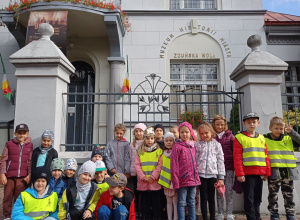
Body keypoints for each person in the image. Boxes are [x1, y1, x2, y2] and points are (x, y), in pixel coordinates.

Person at [233, 112, 271, 220]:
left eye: (254, 122)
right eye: (249, 122)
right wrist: (240, 174)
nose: (252, 124)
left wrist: (267, 172)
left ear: (258, 123)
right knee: (249, 199)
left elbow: (266, 156)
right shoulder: (239, 137)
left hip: (260, 173)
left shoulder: (262, 138)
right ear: (244, 123)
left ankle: (257, 217)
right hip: (247, 174)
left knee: (257, 199)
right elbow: (237, 157)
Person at [264, 117, 300, 220]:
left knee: (288, 195)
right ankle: (274, 215)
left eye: (281, 128)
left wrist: (292, 132)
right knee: (273, 196)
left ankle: (290, 214)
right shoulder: (265, 138)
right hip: (274, 172)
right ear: (270, 128)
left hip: (288, 172)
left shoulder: (288, 138)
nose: (279, 131)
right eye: (276, 128)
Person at [0, 123, 33, 220]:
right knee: (7, 196)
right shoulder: (9, 144)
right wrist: (2, 174)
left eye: (24, 133)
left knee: (19, 197)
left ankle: (17, 214)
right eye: (19, 133)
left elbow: (30, 161)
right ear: (15, 133)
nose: (21, 135)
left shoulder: (30, 146)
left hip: (23, 177)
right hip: (9, 176)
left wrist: (29, 174)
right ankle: (7, 216)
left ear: (27, 134)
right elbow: (3, 160)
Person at [195, 121, 225, 220]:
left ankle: (212, 217)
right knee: (203, 197)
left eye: (206, 133)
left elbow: (220, 161)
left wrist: (221, 177)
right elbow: (194, 159)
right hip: (201, 175)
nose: (204, 135)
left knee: (211, 198)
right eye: (202, 134)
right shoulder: (198, 144)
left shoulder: (216, 144)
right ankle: (204, 217)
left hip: (212, 175)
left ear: (211, 132)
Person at [171, 122, 200, 220]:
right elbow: (174, 165)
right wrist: (176, 181)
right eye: (182, 132)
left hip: (193, 179)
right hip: (182, 180)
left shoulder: (193, 146)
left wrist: (196, 178)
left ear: (190, 132)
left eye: (186, 132)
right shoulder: (177, 146)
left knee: (192, 202)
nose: (184, 134)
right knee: (181, 202)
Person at [135, 126, 163, 220]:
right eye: (147, 138)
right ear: (144, 139)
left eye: (152, 138)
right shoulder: (140, 151)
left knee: (156, 205)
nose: (149, 140)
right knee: (145, 205)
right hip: (143, 183)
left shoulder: (159, 151)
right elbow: (137, 166)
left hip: (155, 182)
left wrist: (153, 176)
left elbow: (160, 166)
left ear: (154, 139)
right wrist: (143, 177)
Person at [212, 115, 235, 220]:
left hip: (229, 167)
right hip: (215, 169)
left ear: (225, 124)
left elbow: (234, 151)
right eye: (217, 124)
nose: (219, 126)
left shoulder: (230, 136)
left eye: (222, 124)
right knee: (219, 191)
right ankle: (220, 213)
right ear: (214, 125)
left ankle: (229, 212)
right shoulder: (212, 136)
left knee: (229, 191)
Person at [158, 132, 178, 220]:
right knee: (168, 202)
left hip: (174, 181)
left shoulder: (176, 153)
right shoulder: (162, 154)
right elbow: (161, 168)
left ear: (174, 142)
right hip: (166, 182)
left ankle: (176, 218)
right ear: (164, 142)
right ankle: (169, 218)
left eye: (171, 140)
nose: (169, 142)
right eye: (167, 141)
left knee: (175, 202)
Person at [129, 123, 146, 217]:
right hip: (135, 171)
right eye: (136, 131)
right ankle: (135, 212)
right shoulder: (132, 144)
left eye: (140, 131)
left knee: (143, 193)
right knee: (136, 192)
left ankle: (143, 211)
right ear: (134, 133)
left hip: (143, 172)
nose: (138, 133)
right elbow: (130, 157)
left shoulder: (146, 143)